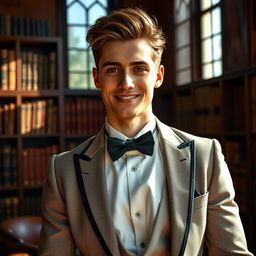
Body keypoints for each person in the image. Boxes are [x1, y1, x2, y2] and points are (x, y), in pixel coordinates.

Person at [38, 8, 253, 256]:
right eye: (113, 69)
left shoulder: (206, 156)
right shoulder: (63, 171)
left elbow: (231, 253)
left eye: (139, 68)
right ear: (97, 78)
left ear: (158, 75)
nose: (126, 83)